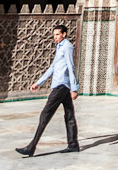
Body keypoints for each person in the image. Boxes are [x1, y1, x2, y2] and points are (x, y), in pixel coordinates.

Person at [16, 23, 79, 156]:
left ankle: (31, 147)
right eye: (54, 35)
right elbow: (53, 67)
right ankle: (73, 144)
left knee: (45, 114)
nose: (55, 37)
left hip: (62, 86)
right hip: (61, 85)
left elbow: (71, 66)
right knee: (69, 115)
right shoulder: (60, 46)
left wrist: (74, 88)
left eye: (57, 34)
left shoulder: (67, 46)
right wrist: (39, 82)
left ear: (64, 34)